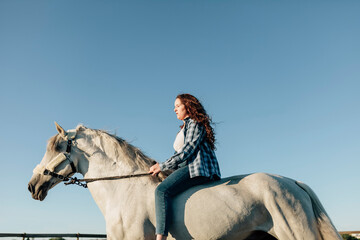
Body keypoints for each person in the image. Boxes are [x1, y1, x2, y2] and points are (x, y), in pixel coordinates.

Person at [149, 93, 221, 240]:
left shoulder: (195, 122)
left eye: (177, 106)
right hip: (185, 166)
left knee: (161, 191)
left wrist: (162, 166)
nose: (174, 109)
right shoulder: (185, 126)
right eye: (174, 107)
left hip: (197, 168)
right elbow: (179, 155)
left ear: (188, 106)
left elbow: (187, 150)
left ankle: (161, 237)